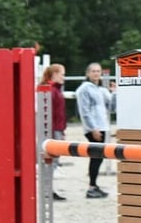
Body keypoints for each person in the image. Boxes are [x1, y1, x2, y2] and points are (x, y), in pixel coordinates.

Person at [76, 62, 115, 199]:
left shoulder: (101, 90)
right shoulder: (84, 89)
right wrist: (93, 128)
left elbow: (112, 108)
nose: (96, 73)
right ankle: (92, 186)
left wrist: (114, 93)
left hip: (102, 126)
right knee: (96, 156)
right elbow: (85, 111)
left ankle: (94, 185)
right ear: (88, 73)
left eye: (98, 71)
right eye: (93, 71)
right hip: (94, 127)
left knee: (99, 157)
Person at [41, 63, 68, 201]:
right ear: (55, 74)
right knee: (50, 161)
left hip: (57, 129)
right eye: (62, 74)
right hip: (53, 130)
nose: (64, 77)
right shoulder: (52, 91)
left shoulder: (55, 90)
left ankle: (48, 189)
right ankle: (47, 190)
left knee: (53, 162)